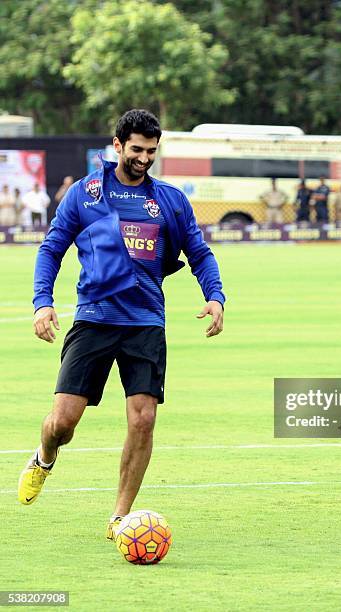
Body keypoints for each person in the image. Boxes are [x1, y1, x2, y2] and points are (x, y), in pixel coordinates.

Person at [18, 109, 226, 542]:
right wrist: (42, 303)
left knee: (143, 418)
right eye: (136, 150)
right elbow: (51, 249)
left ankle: (119, 516)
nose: (144, 158)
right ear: (117, 146)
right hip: (94, 319)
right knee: (62, 424)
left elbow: (200, 253)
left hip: (145, 323)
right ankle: (44, 456)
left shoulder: (169, 200)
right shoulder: (85, 194)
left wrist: (215, 295)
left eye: (151, 151)